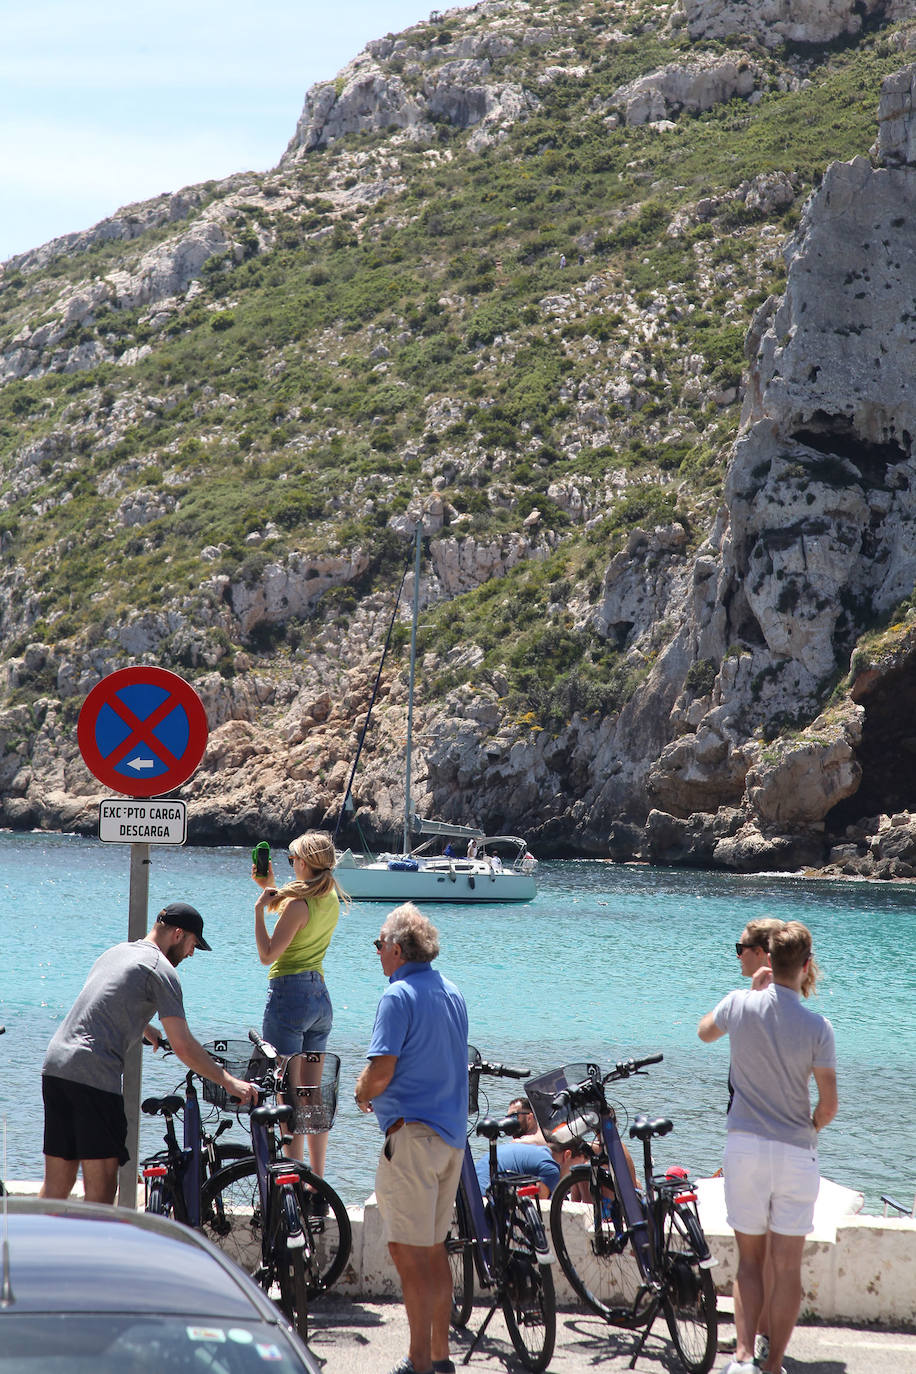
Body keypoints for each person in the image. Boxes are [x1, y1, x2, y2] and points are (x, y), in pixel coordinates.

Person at [41, 902, 257, 1206]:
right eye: (193, 944)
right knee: (101, 1191)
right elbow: (183, 1045)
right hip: (94, 1074)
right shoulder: (161, 969)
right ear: (179, 934)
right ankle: (90, 1254)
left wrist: (146, 1027)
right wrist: (229, 1082)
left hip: (57, 1068)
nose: (191, 954)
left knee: (55, 1189)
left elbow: (106, 999)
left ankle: (27, 1252)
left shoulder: (118, 952)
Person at [698, 921, 838, 1374]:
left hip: (744, 1148)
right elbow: (829, 1105)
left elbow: (704, 1032)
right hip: (796, 1150)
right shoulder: (818, 1026)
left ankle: (741, 1357)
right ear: (806, 965)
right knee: (787, 1268)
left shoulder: (740, 1005)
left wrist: (752, 992)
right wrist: (810, 1126)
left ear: (768, 959)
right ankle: (773, 1363)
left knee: (750, 1263)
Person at [354, 903, 468, 1374]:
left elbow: (381, 1071)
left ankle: (420, 1362)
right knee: (433, 1250)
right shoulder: (452, 991)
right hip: (449, 1139)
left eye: (379, 944)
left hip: (413, 1138)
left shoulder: (397, 995)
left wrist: (360, 1093)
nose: (377, 952)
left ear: (396, 950)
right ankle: (439, 1359)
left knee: (407, 1252)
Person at [252, 829, 348, 1177]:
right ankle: (317, 1183)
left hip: (289, 997)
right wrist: (271, 886)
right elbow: (295, 909)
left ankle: (292, 1178)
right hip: (320, 999)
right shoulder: (330, 897)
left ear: (304, 862)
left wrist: (259, 912)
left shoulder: (297, 903)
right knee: (312, 1094)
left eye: (293, 859)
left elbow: (267, 955)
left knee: (287, 1094)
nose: (291, 863)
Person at [474, 1135, 588, 1199]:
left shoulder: (535, 1151)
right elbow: (538, 1206)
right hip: (484, 1200)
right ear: (567, 1155)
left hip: (471, 1192)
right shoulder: (551, 1169)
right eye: (579, 1164)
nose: (576, 1173)